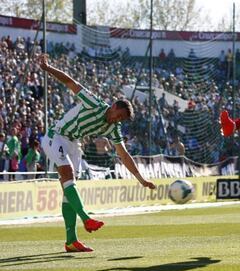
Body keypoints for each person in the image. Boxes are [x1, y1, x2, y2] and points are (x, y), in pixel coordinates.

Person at [38, 54, 156, 252]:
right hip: (56, 135)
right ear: (113, 107)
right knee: (67, 175)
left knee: (69, 190)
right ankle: (86, 219)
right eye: (117, 116)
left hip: (73, 144)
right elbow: (70, 82)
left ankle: (71, 241)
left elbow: (124, 155)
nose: (116, 121)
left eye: (121, 120)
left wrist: (141, 179)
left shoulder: (113, 129)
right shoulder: (93, 102)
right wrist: (47, 68)